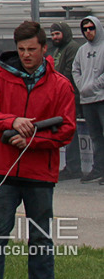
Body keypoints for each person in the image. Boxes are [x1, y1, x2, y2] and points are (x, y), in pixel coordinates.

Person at [0, 20, 75, 279]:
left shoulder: (61, 85)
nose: (26, 55)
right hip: (2, 172)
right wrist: (12, 121)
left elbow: (66, 129)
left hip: (39, 174)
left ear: (44, 48)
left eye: (31, 49)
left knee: (41, 241)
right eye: (21, 49)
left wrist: (32, 140)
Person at [49, 22, 82, 179]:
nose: (55, 37)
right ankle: (70, 166)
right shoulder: (57, 49)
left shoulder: (72, 47)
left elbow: (70, 72)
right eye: (53, 34)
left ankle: (74, 167)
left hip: (70, 96)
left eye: (57, 34)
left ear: (65, 33)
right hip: (58, 96)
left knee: (70, 131)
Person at [75, 15, 104, 182]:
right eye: (85, 29)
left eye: (91, 28)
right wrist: (81, 86)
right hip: (87, 100)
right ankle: (98, 169)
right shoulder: (82, 50)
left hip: (101, 98)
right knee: (95, 137)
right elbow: (75, 69)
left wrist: (93, 86)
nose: (88, 32)